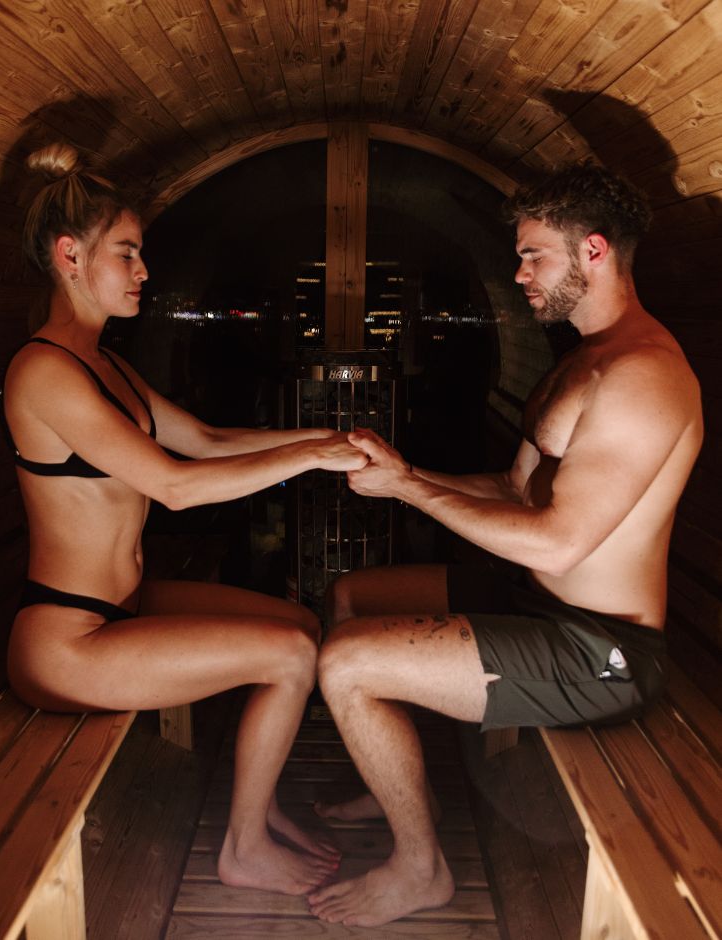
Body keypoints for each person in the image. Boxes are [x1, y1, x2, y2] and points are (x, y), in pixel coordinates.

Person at [307, 160, 704, 926]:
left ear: (593, 251)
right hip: (536, 608)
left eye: (533, 255)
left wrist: (410, 491)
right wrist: (407, 470)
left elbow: (556, 542)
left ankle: (420, 869)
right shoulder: (580, 361)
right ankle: (384, 771)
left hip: (601, 652)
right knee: (352, 597)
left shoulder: (643, 375)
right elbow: (515, 490)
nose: (517, 272)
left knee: (346, 664)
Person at [0, 142, 369, 897]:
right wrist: (312, 459)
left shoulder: (103, 363)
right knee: (291, 659)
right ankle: (243, 847)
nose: (143, 272)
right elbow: (174, 487)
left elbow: (204, 439)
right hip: (67, 641)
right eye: (127, 254)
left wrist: (324, 438)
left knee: (298, 626)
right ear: (71, 256)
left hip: (120, 609)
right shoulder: (43, 372)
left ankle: (258, 811)